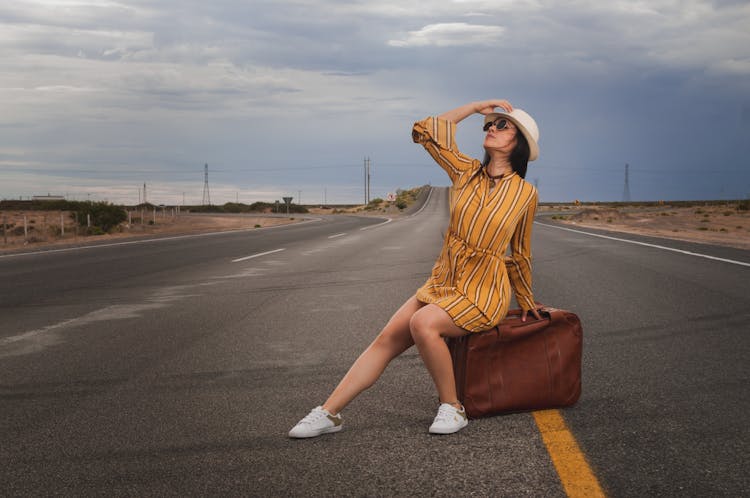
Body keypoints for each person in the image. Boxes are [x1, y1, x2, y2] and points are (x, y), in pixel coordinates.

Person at [289, 99, 541, 438]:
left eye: (501, 126)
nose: (490, 129)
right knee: (386, 339)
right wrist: (475, 107)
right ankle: (328, 413)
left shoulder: (526, 194)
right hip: (444, 282)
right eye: (488, 125)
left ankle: (452, 407)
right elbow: (426, 130)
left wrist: (526, 299)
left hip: (484, 291)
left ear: (520, 142)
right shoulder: (466, 173)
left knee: (423, 323)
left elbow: (521, 252)